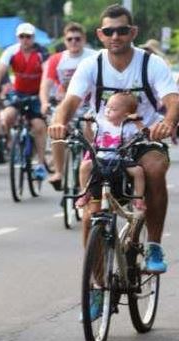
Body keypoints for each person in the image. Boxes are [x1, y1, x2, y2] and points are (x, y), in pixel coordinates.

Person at [48, 4, 179, 273]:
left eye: (121, 30)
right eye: (109, 31)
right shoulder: (91, 65)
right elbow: (70, 102)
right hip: (104, 142)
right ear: (100, 34)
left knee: (154, 168)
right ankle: (95, 284)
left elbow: (172, 99)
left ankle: (153, 245)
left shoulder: (150, 63)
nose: (115, 36)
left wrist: (167, 121)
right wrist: (59, 122)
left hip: (143, 139)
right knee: (91, 216)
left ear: (133, 32)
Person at [39, 22, 97, 190]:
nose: (73, 42)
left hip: (89, 105)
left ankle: (93, 166)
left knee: (90, 128)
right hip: (67, 105)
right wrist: (44, 102)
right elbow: (45, 85)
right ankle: (58, 171)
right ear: (64, 41)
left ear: (84, 39)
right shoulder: (57, 59)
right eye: (69, 39)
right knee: (56, 128)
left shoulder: (94, 56)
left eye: (77, 39)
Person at [0, 22, 49, 180]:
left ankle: (41, 164)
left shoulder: (41, 52)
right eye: (22, 36)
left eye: (28, 36)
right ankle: (11, 143)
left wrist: (47, 97)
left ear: (33, 37)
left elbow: (48, 73)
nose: (25, 40)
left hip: (37, 93)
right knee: (7, 116)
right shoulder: (11, 51)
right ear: (18, 38)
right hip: (19, 93)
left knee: (39, 126)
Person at [75, 93, 146, 211]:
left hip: (121, 160)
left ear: (126, 114)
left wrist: (138, 122)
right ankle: (85, 193)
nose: (108, 111)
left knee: (138, 171)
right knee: (85, 165)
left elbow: (144, 135)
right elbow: (90, 139)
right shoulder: (101, 124)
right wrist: (87, 125)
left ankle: (139, 197)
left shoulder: (129, 127)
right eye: (107, 107)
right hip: (101, 158)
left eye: (113, 109)